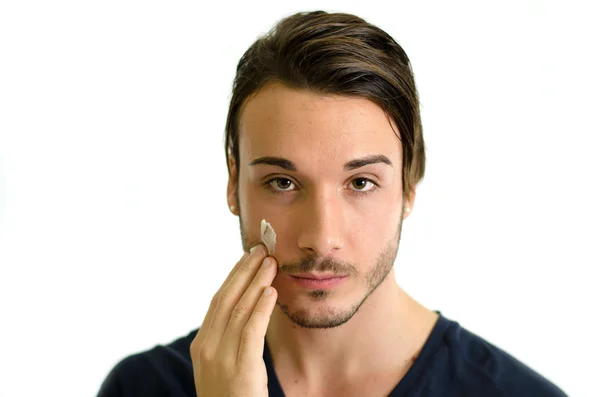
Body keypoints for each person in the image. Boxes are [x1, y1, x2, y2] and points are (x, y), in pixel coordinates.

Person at [97, 10, 567, 397]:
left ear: (408, 186)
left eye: (360, 183)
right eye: (282, 182)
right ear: (233, 182)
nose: (321, 238)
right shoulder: (144, 388)